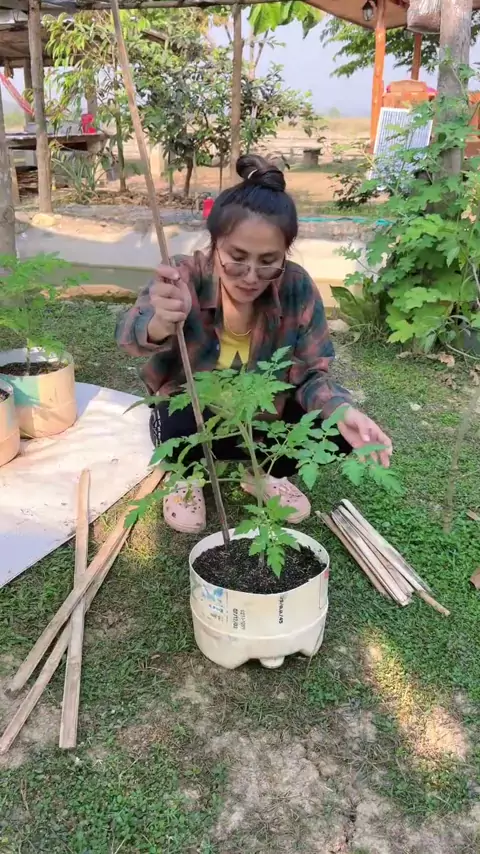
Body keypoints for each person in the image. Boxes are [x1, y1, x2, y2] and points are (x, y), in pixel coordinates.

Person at [116, 155, 392, 534]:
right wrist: (161, 322)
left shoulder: (296, 287)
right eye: (237, 257)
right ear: (215, 244)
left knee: (336, 429)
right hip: (197, 416)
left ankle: (263, 473)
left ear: (285, 254)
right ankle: (187, 473)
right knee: (176, 420)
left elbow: (312, 373)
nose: (250, 276)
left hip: (262, 418)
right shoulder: (184, 277)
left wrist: (343, 410)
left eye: (268, 261)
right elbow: (128, 336)